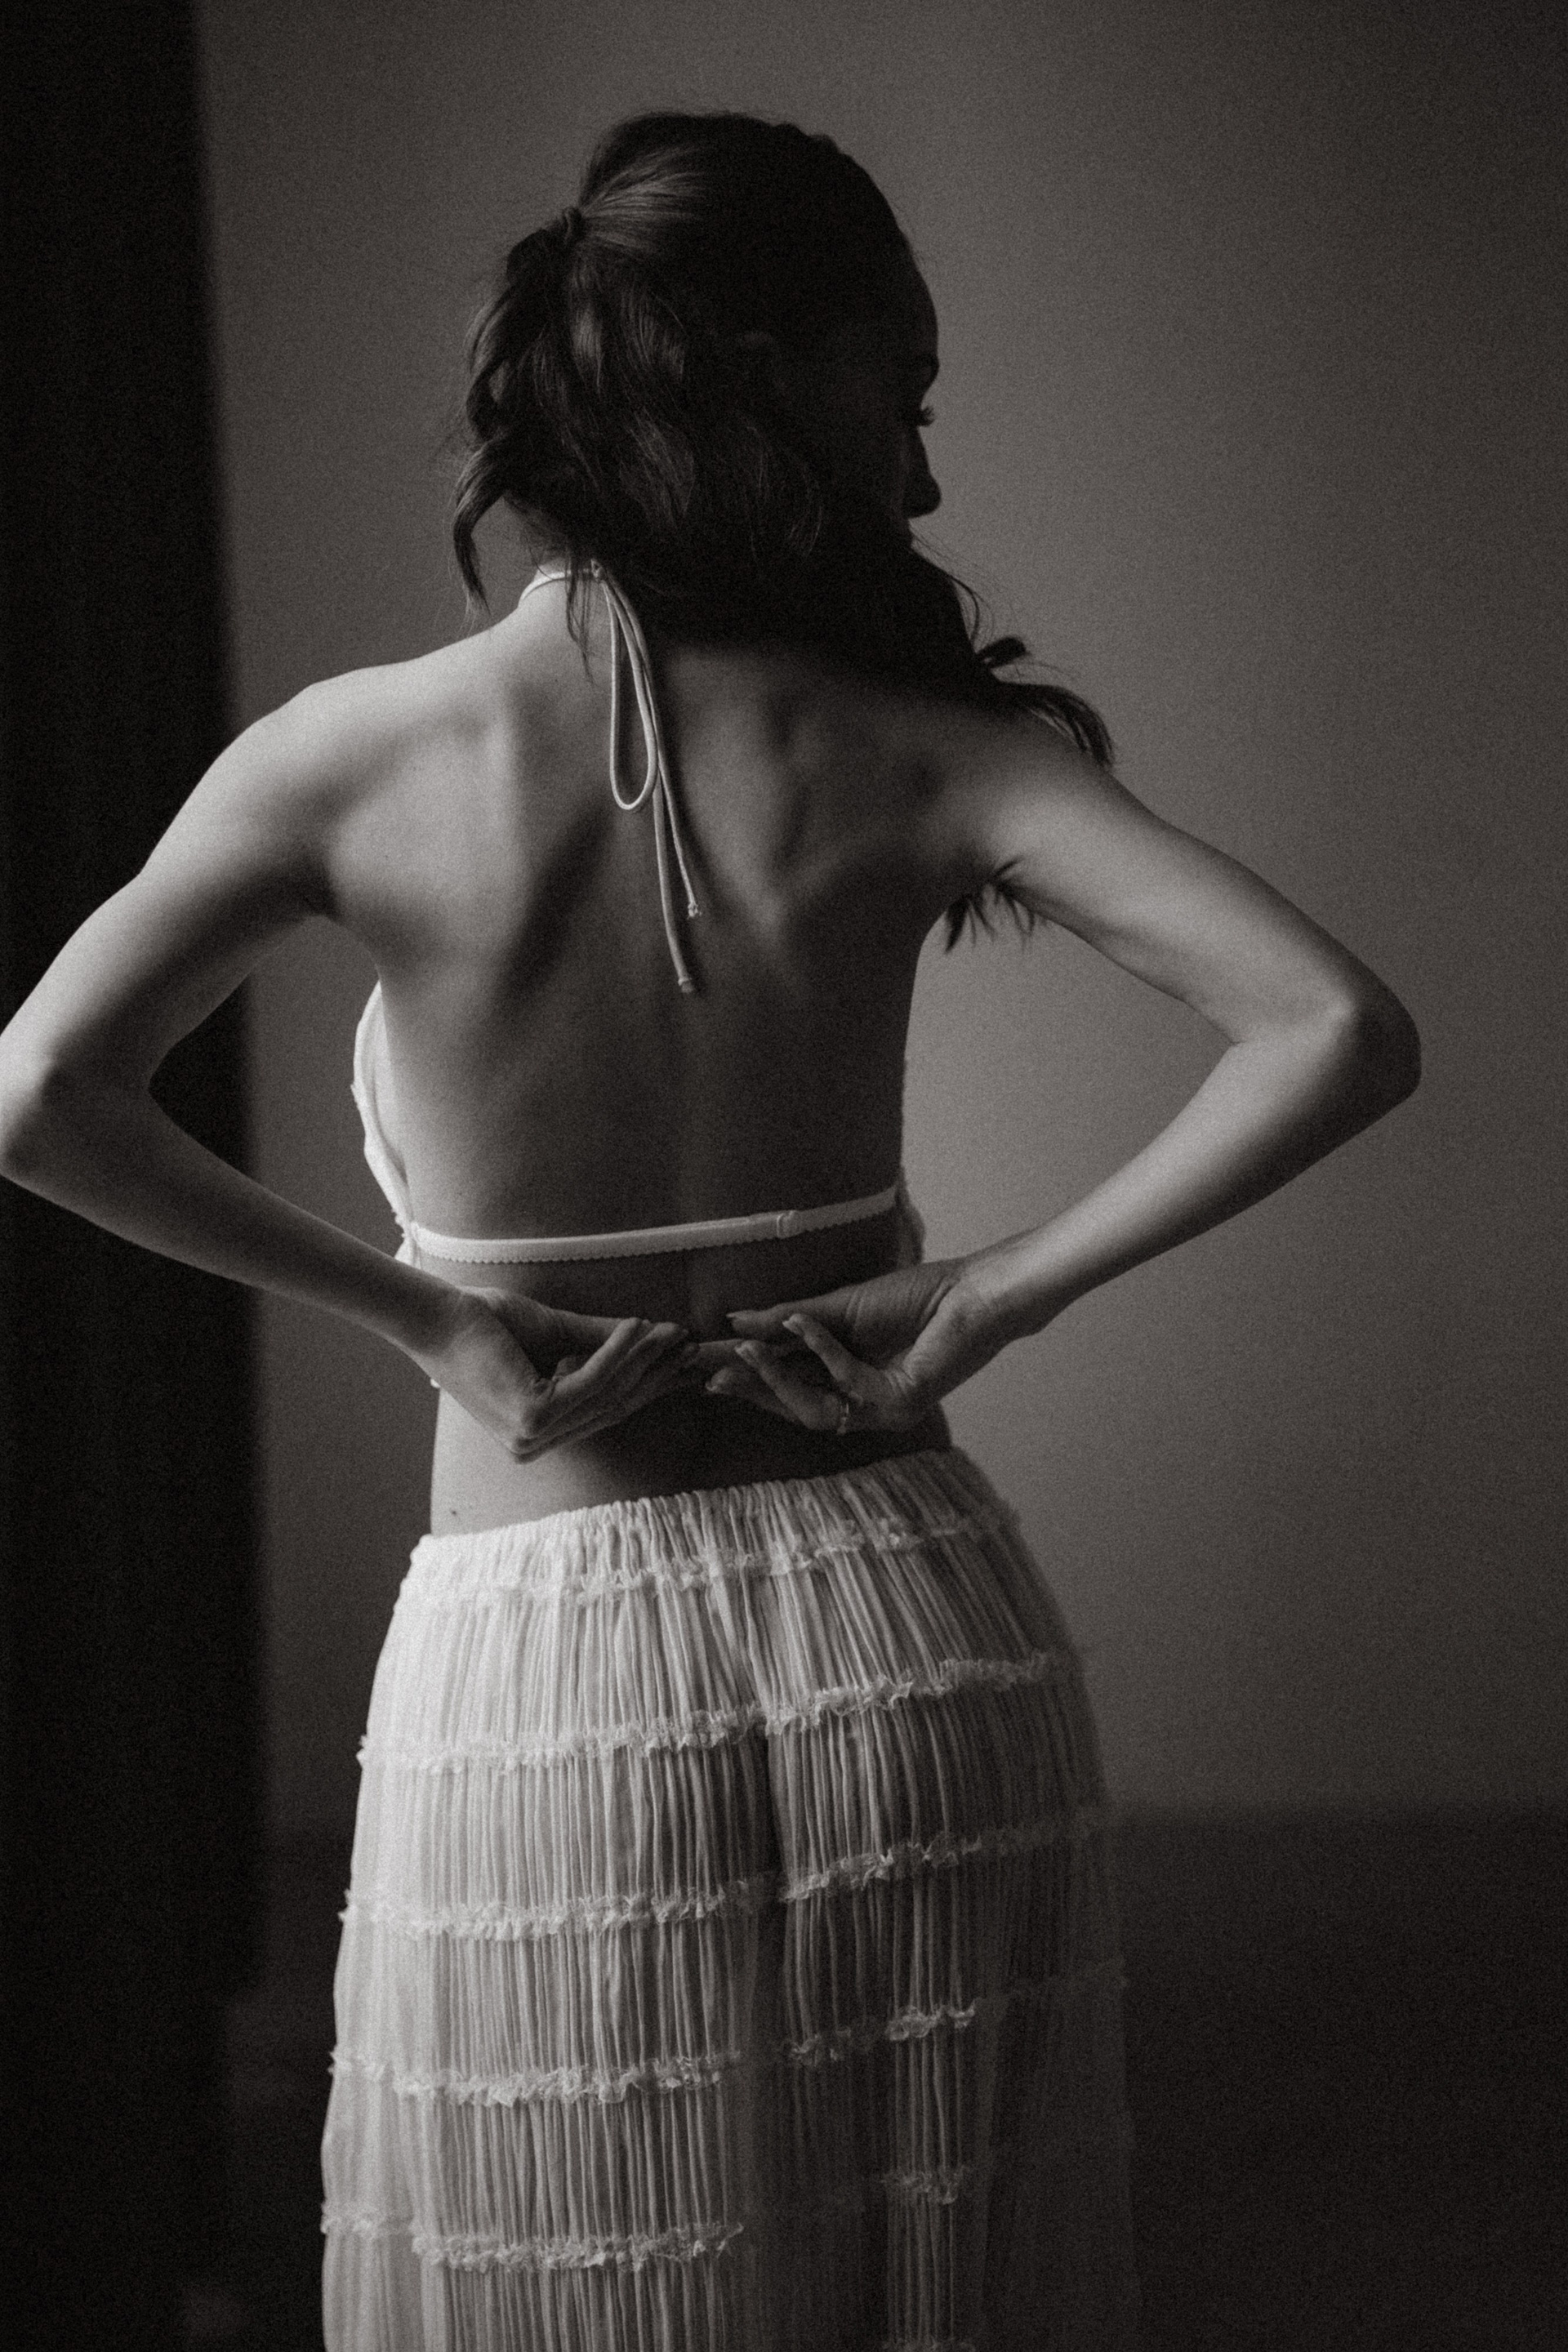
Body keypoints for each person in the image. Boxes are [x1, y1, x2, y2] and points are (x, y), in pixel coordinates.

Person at [0, 108, 1418, 2352]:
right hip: (910, 1631)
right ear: (763, 373)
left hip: (548, 1665)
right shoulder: (915, 742)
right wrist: (993, 1293)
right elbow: (1337, 1025)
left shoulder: (349, 757)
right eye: (903, 393)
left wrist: (430, 1320)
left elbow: (41, 1100)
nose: (925, 477)